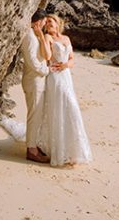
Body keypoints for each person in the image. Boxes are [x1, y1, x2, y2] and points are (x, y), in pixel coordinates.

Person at [37, 14, 92, 167]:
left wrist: (66, 65)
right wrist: (42, 36)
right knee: (62, 108)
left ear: (57, 22)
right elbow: (47, 56)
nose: (48, 24)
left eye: (51, 21)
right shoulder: (48, 37)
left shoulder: (66, 39)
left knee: (70, 109)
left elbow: (72, 59)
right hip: (54, 76)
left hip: (66, 75)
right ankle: (60, 151)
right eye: (46, 22)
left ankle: (73, 151)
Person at [20, 14, 54, 163]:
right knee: (34, 115)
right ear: (38, 21)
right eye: (45, 22)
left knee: (37, 115)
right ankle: (31, 150)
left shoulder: (34, 35)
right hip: (33, 81)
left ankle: (33, 145)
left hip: (37, 80)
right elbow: (32, 62)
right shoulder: (29, 36)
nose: (46, 25)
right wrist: (47, 70)